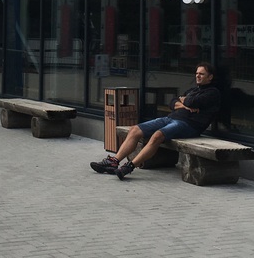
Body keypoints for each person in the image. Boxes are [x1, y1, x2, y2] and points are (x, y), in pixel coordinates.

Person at [90, 62, 221, 179]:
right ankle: (113, 161)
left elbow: (190, 101)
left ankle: (129, 166)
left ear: (210, 77)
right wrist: (184, 106)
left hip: (188, 125)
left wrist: (184, 101)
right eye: (197, 73)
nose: (197, 76)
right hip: (170, 118)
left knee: (157, 135)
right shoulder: (193, 90)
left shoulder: (212, 93)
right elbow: (172, 102)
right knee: (135, 130)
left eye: (201, 74)